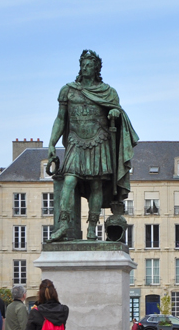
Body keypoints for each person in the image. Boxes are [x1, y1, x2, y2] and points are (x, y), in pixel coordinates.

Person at [46, 50, 139, 242]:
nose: (85, 68)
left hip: (99, 140)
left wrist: (114, 112)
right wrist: (52, 143)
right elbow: (60, 119)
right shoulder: (68, 90)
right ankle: (63, 224)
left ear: (96, 68)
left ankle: (91, 228)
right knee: (69, 181)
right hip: (75, 141)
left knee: (96, 185)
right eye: (83, 64)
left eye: (89, 65)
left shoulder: (108, 92)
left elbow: (117, 111)